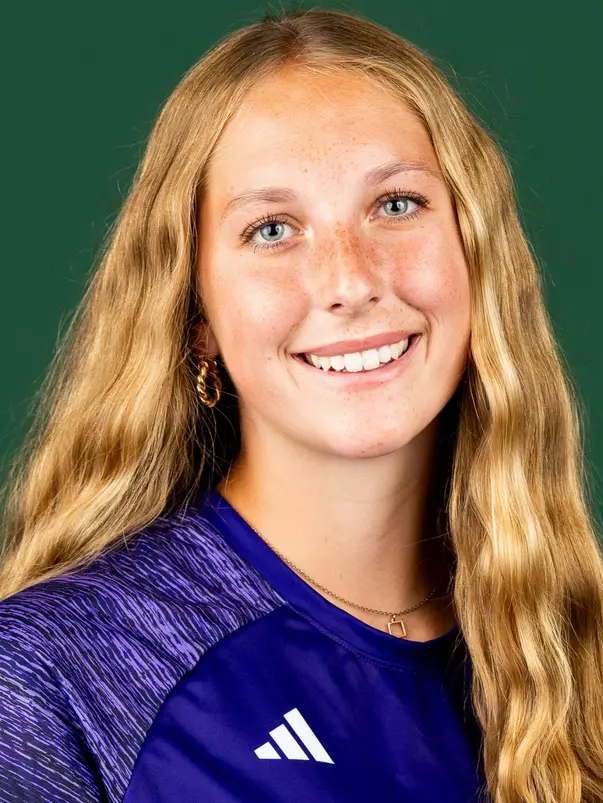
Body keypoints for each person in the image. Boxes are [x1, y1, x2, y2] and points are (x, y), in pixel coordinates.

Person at [0, 6, 602, 803]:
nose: (350, 280)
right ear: (197, 316)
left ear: (477, 255)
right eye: (273, 228)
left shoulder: (575, 656)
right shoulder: (50, 677)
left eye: (395, 204)